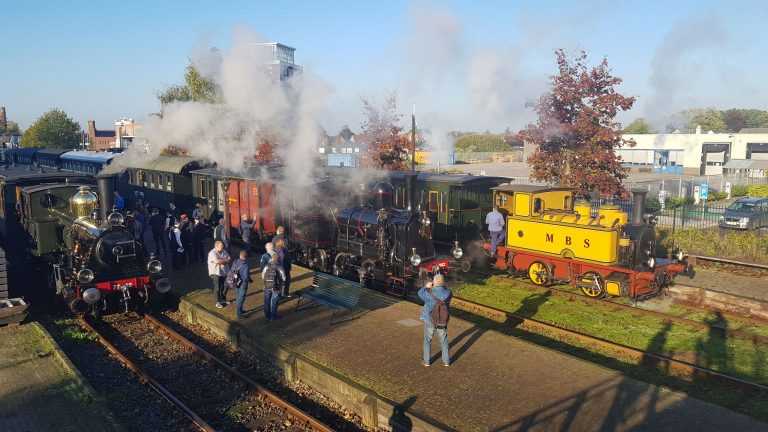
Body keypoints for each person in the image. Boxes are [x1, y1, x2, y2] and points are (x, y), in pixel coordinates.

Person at [418, 274, 452, 367]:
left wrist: (426, 286)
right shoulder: (449, 293)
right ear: (443, 282)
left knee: (427, 340)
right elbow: (445, 291)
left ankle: (427, 361)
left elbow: (419, 293)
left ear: (434, 282)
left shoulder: (429, 292)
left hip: (430, 320)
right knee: (444, 341)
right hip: (442, 320)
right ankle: (446, 361)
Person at [207, 240, 231, 309]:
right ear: (216, 246)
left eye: (223, 247)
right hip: (215, 272)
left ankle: (223, 299)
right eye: (221, 247)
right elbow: (217, 261)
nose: (223, 248)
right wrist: (224, 260)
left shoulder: (224, 251)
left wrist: (222, 261)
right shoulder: (212, 253)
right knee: (217, 287)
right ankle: (217, 302)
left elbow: (229, 258)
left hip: (224, 272)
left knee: (225, 286)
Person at [262, 253, 285, 320]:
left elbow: (263, 276)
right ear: (278, 259)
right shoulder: (279, 267)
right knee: (274, 302)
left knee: (267, 301)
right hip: (276, 287)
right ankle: (273, 316)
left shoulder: (267, 266)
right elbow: (284, 278)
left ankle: (267, 315)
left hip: (267, 286)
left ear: (271, 258)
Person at [229, 250, 251, 319]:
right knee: (241, 298)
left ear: (240, 255)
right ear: (246, 257)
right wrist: (249, 280)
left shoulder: (235, 261)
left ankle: (240, 310)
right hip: (242, 284)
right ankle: (239, 314)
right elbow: (245, 277)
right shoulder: (245, 265)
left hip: (236, 282)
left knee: (238, 296)